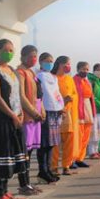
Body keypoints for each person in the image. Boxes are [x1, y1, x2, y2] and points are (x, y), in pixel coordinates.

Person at [0, 39, 35, 199]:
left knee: (12, 155)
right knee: (2, 155)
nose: (9, 53)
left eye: (12, 50)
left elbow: (19, 95)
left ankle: (6, 192)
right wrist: (12, 115)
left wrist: (21, 113)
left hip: (16, 118)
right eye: (6, 50)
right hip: (1, 119)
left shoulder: (12, 70)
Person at [16, 45, 48, 183]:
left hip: (36, 116)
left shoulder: (31, 72)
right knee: (25, 151)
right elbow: (21, 96)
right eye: (31, 56)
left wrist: (42, 110)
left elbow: (38, 95)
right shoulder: (20, 72)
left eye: (35, 56)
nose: (34, 59)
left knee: (30, 151)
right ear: (23, 57)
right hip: (28, 116)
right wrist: (34, 112)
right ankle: (24, 183)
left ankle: (27, 182)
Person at [50, 56, 79, 176]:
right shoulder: (52, 78)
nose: (69, 66)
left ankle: (66, 166)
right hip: (55, 113)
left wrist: (70, 99)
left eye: (69, 64)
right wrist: (62, 101)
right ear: (60, 64)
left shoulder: (69, 79)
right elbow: (50, 95)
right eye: (67, 64)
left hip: (67, 114)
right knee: (55, 142)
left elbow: (75, 94)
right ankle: (54, 167)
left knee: (69, 140)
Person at [36, 52, 63, 183]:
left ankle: (48, 169)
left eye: (51, 61)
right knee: (44, 144)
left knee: (51, 144)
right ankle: (42, 171)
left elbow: (56, 93)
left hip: (55, 111)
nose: (50, 63)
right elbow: (41, 94)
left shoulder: (53, 77)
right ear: (41, 62)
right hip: (45, 111)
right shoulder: (39, 76)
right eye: (47, 61)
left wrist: (61, 105)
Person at [73, 61, 95, 168]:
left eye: (87, 69)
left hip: (88, 109)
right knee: (78, 136)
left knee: (85, 137)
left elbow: (91, 96)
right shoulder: (74, 80)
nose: (85, 71)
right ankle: (72, 159)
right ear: (78, 69)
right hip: (78, 110)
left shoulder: (87, 81)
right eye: (83, 69)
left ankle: (80, 159)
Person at [87, 63, 100, 160]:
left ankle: (96, 151)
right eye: (98, 70)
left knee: (99, 132)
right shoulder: (91, 81)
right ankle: (91, 152)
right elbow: (92, 96)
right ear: (94, 70)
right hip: (94, 110)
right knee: (94, 132)